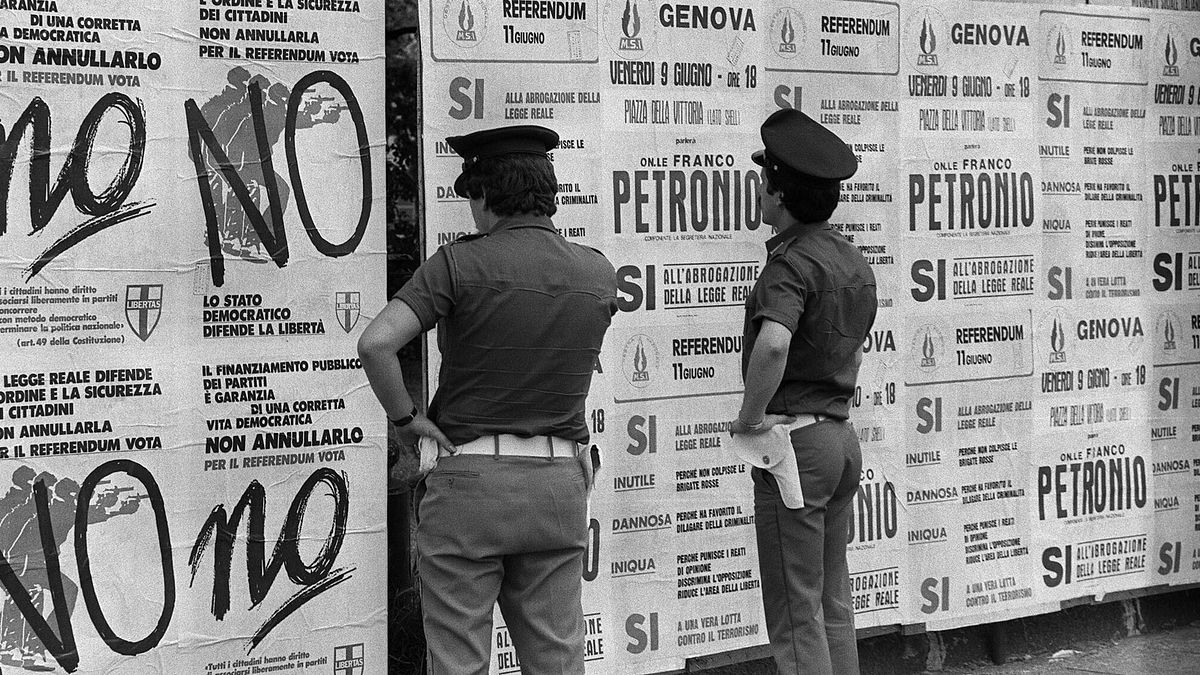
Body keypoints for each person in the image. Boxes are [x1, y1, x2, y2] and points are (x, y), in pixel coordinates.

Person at [357, 123, 617, 674]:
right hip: (558, 487)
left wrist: (407, 421)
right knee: (558, 659)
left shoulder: (459, 264)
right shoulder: (598, 273)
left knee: (459, 662)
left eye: (469, 197)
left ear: (483, 194)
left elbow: (377, 343)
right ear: (549, 193)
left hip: (469, 487)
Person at [729, 108, 877, 675]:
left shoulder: (788, 262)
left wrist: (749, 419)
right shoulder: (851, 259)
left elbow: (772, 346)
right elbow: (856, 349)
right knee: (832, 603)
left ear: (778, 193)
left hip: (795, 447)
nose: (760, 191)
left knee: (796, 613)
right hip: (839, 441)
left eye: (765, 182)